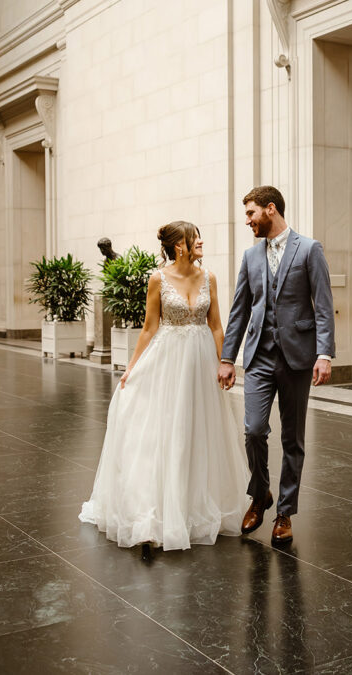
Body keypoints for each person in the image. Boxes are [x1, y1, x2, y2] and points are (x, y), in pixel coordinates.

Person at [80, 222, 248, 550]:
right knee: (166, 430)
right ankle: (155, 514)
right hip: (168, 360)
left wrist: (225, 362)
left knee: (201, 430)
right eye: (193, 237)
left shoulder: (209, 277)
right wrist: (131, 369)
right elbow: (148, 327)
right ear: (179, 245)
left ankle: (196, 504)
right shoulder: (157, 278)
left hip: (201, 362)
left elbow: (215, 325)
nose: (200, 241)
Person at [218, 185, 335, 544]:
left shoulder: (309, 249)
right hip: (259, 356)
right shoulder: (251, 257)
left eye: (252, 213)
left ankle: (284, 511)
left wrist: (324, 353)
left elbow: (324, 304)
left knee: (292, 438)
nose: (248, 221)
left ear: (271, 209)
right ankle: (260, 494)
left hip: (298, 358)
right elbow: (239, 309)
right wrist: (227, 357)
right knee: (253, 430)